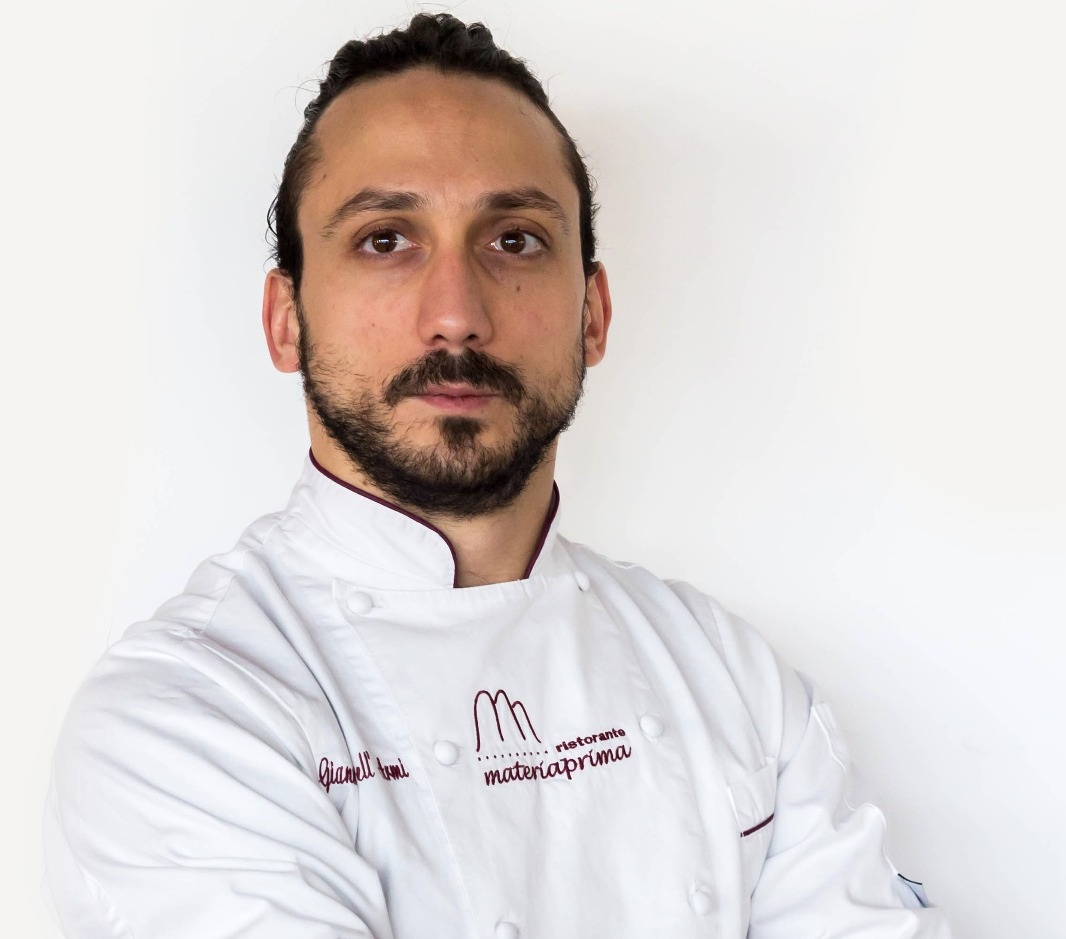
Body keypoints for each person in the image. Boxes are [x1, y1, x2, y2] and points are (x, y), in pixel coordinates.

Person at [44, 13, 951, 939]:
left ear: (592, 315)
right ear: (286, 321)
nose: (456, 314)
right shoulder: (186, 712)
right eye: (386, 239)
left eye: (514, 239)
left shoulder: (724, 671)